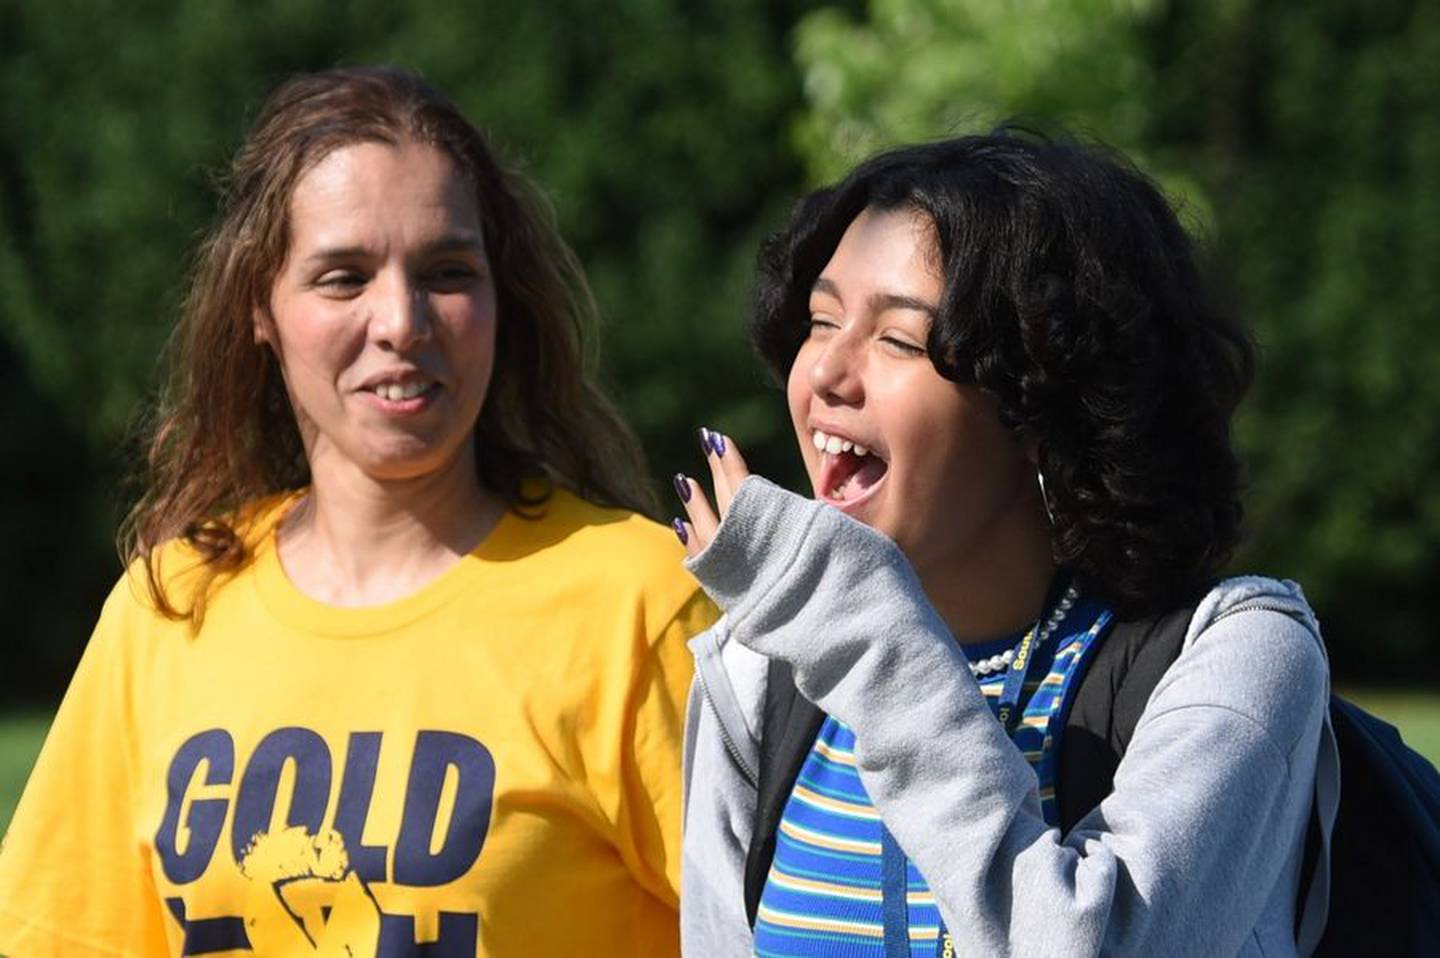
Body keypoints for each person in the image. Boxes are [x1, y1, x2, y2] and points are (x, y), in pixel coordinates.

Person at [0, 66, 713, 956]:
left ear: (502, 300)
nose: (402, 321)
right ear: (260, 309)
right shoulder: (169, 609)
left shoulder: (638, 604)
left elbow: (799, 928)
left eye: (448, 272)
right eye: (343, 277)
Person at [673, 132, 1339, 956]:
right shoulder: (759, 674)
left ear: (1040, 404)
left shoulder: (1239, 656)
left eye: (899, 340)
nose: (824, 376)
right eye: (821, 320)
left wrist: (869, 639)